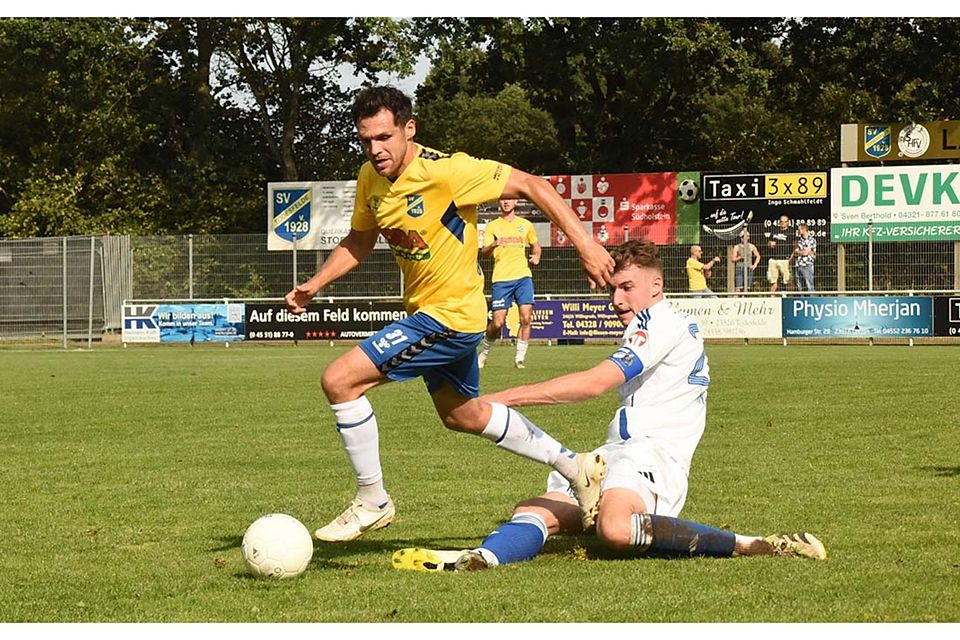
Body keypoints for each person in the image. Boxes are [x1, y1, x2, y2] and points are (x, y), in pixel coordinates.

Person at [284, 86, 615, 542]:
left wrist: (586, 243)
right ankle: (573, 466)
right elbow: (359, 242)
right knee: (463, 415)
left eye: (384, 137)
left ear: (409, 129)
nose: (375, 150)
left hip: (451, 317)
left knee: (340, 380)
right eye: (366, 141)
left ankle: (372, 499)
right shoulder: (370, 178)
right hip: (431, 313)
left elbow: (534, 185)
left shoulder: (448, 170)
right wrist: (315, 285)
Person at [392, 239, 826, 571]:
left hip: (653, 456)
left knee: (616, 530)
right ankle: (481, 559)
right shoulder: (657, 322)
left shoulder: (661, 322)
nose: (617, 299)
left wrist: (497, 399)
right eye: (613, 289)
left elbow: (593, 384)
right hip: (614, 453)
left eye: (626, 288)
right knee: (532, 510)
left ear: (656, 285)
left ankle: (753, 543)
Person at [477, 198, 541, 369]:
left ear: (516, 202)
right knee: (498, 322)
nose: (506, 203)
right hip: (501, 278)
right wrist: (493, 244)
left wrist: (536, 256)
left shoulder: (525, 224)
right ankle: (484, 352)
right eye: (503, 200)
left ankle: (520, 358)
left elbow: (536, 246)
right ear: (499, 203)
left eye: (509, 200)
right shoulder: (492, 225)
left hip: (523, 277)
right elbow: (483, 252)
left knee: (526, 318)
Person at [766, 214, 793, 292]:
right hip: (773, 259)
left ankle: (789, 298)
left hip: (784, 259)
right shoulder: (774, 230)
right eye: (781, 221)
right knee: (772, 281)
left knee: (787, 280)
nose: (783, 223)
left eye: (785, 222)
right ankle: (772, 298)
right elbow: (769, 242)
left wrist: (791, 258)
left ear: (788, 222)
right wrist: (770, 244)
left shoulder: (791, 231)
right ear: (779, 222)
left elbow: (795, 246)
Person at [794, 222, 817, 292]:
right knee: (799, 285)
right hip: (798, 264)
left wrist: (800, 252)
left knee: (809, 284)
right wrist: (802, 252)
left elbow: (806, 252)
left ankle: (811, 299)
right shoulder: (798, 241)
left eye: (799, 229)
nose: (798, 231)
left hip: (807, 265)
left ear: (804, 230)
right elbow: (795, 252)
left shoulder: (812, 240)